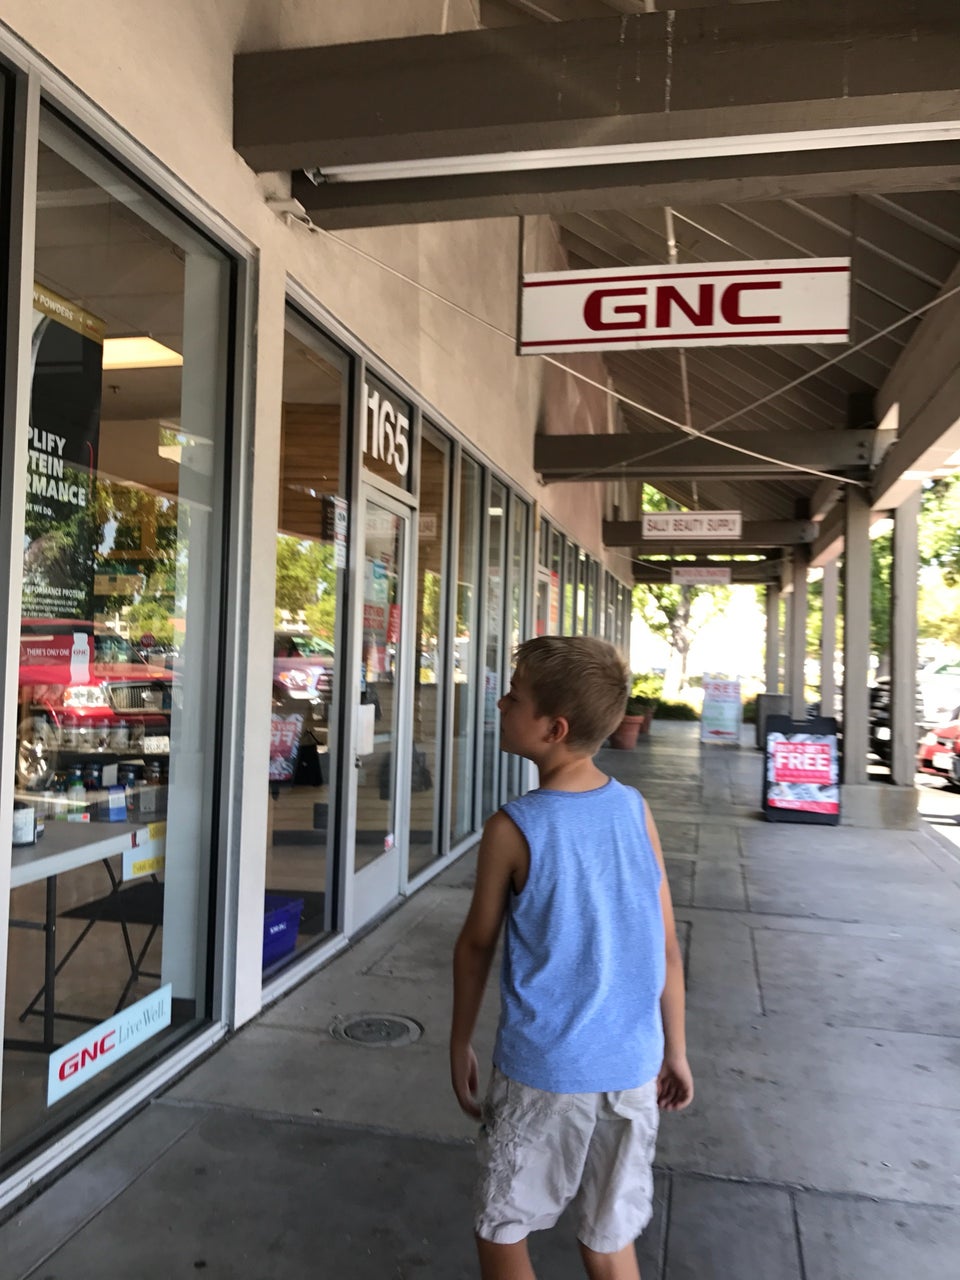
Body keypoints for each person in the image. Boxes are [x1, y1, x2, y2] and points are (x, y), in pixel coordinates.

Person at [450, 636, 693, 1280]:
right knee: (609, 1240)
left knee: (503, 1230)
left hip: (544, 1072)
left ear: (553, 729)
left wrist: (459, 1040)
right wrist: (675, 1050)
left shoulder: (514, 827)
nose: (501, 703)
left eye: (514, 697)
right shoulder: (634, 810)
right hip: (634, 1070)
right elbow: (666, 946)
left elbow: (476, 944)